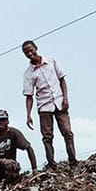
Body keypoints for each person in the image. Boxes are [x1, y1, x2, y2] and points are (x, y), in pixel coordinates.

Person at [21, 40, 78, 168]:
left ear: (36, 48)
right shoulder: (28, 74)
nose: (30, 53)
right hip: (44, 106)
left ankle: (73, 161)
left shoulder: (51, 61)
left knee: (67, 132)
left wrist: (65, 98)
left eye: (31, 50)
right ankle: (51, 163)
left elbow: (62, 80)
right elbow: (29, 96)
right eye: (26, 52)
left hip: (59, 102)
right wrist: (28, 115)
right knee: (47, 137)